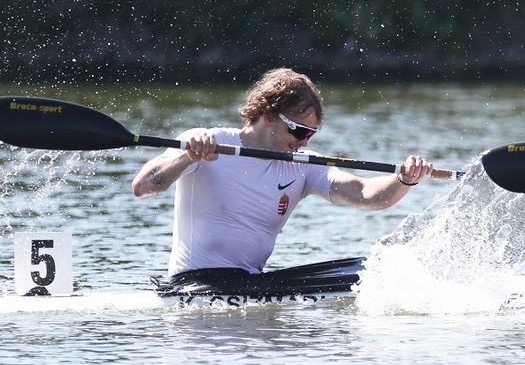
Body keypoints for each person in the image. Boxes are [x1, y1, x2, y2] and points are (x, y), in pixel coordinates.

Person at [131, 67, 434, 284]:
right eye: (300, 130)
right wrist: (187, 157)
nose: (305, 141)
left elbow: (367, 195)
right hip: (195, 283)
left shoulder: (302, 163)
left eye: (311, 134)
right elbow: (142, 187)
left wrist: (404, 179)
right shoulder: (207, 142)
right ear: (268, 116)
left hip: (250, 282)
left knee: (371, 272)